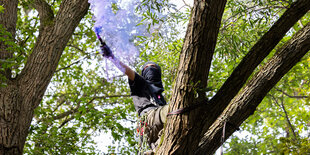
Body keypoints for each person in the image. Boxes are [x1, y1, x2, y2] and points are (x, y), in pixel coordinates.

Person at [100, 43, 169, 153]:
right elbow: (127, 71)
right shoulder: (141, 84)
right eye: (147, 68)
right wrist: (112, 57)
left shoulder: (161, 98)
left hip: (158, 132)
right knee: (172, 111)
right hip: (149, 118)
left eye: (154, 68)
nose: (150, 69)